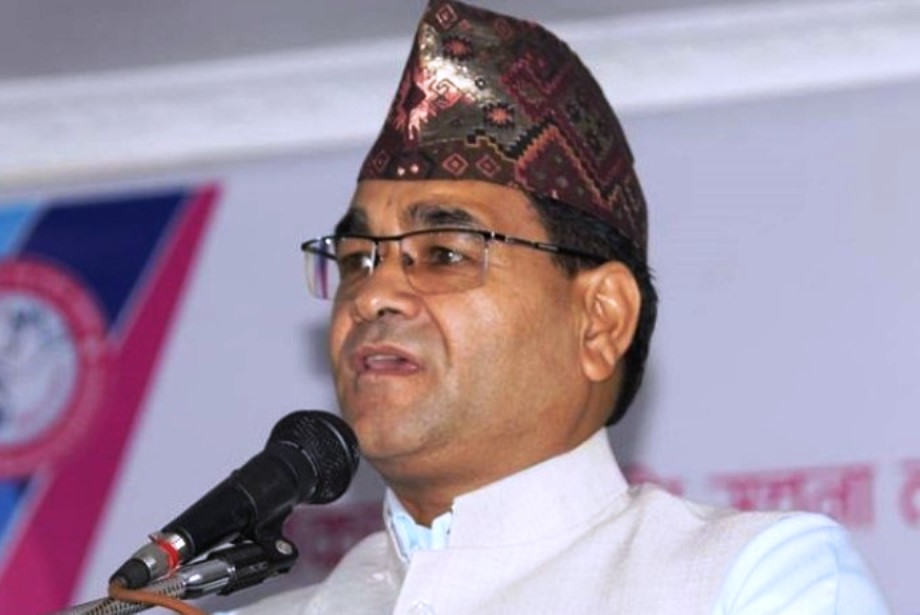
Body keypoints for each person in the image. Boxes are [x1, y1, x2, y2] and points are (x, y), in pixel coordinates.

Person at [230, 1, 889, 612]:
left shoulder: (754, 579)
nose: (372, 294)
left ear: (600, 320)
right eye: (355, 260)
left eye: (445, 253)